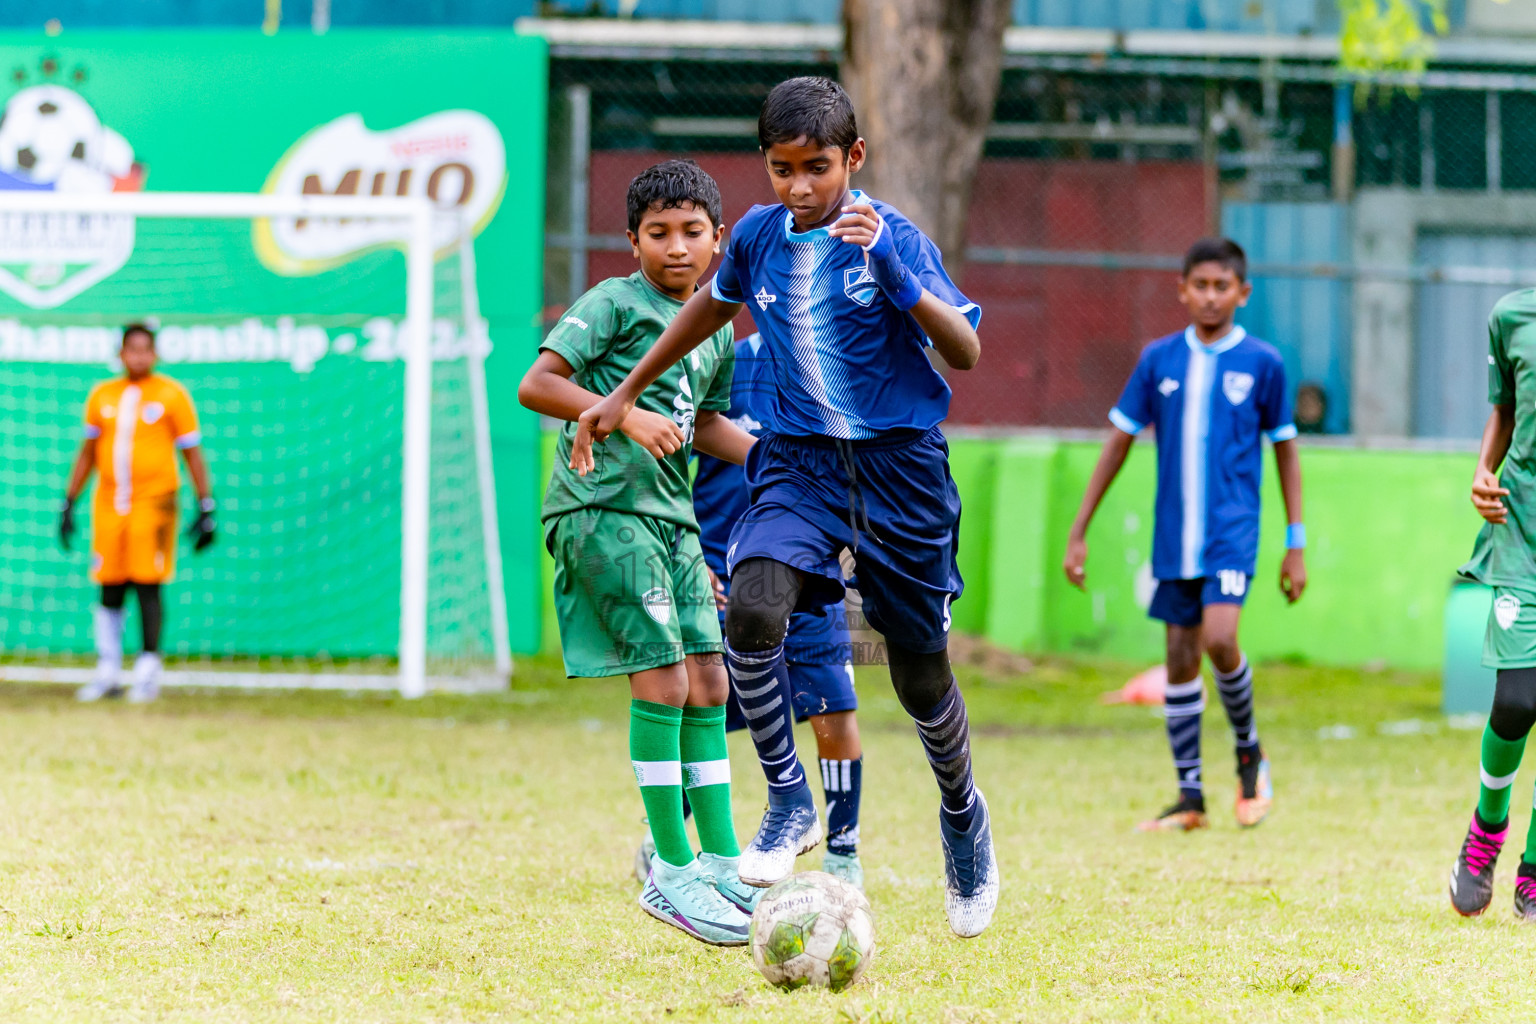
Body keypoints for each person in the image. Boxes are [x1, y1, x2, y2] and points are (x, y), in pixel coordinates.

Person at [571, 78, 997, 937]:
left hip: (899, 470)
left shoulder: (892, 236)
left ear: (856, 159)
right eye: (781, 168)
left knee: (918, 677)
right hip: (798, 464)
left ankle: (963, 815)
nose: (799, 188)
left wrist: (898, 274)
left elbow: (967, 349)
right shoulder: (760, 237)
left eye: (818, 169)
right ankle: (789, 800)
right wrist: (623, 392)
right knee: (755, 608)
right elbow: (706, 310)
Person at [518, 160, 759, 946]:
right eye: (659, 233)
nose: (677, 247)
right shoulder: (614, 303)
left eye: (693, 232)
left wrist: (772, 460)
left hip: (672, 520)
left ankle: (723, 863)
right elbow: (538, 383)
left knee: (710, 679)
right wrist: (618, 416)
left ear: (719, 240)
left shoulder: (714, 327)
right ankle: (672, 871)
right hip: (601, 509)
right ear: (633, 241)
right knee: (661, 676)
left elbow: (706, 425)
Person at [1063, 237, 1306, 833]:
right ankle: (1190, 796)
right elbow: (1119, 441)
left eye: (1223, 286)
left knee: (1220, 640)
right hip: (1175, 537)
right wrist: (1080, 529)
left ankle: (1249, 755)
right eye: (1200, 285)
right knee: (1177, 657)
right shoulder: (1158, 360)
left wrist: (1295, 541)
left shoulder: (1264, 364)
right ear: (1182, 290)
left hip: (1231, 533)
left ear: (1242, 294)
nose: (1210, 296)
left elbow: (1286, 453)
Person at [634, 332, 867, 890]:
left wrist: (854, 544)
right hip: (725, 573)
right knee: (712, 709)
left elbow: (859, 469)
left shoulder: (840, 364)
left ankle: (842, 857)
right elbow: (668, 470)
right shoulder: (723, 363)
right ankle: (664, 838)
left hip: (811, 568)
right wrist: (690, 557)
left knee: (832, 707)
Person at [60, 323, 216, 704]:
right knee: (109, 585)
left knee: (148, 584)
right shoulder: (102, 396)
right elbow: (88, 453)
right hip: (110, 503)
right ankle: (108, 670)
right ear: (120, 354)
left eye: (146, 349)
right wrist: (68, 501)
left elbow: (191, 452)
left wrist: (206, 503)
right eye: (132, 349)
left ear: (156, 354)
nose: (139, 356)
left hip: (156, 503)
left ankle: (147, 672)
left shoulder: (172, 395)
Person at [1449, 290, 1536, 920]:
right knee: (1518, 700)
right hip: (1524, 531)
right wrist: (1484, 469)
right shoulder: (1512, 315)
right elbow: (1503, 412)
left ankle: (1534, 869)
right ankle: (1485, 833)